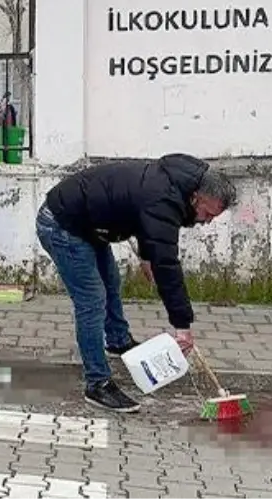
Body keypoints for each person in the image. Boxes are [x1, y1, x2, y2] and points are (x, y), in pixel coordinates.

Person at [36, 154, 237, 413]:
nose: (206, 221)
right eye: (207, 213)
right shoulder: (166, 198)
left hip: (88, 223)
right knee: (92, 299)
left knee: (111, 281)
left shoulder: (178, 184)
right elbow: (167, 266)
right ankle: (97, 383)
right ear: (196, 196)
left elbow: (142, 214)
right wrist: (182, 326)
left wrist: (145, 256)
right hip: (62, 224)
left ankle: (118, 340)